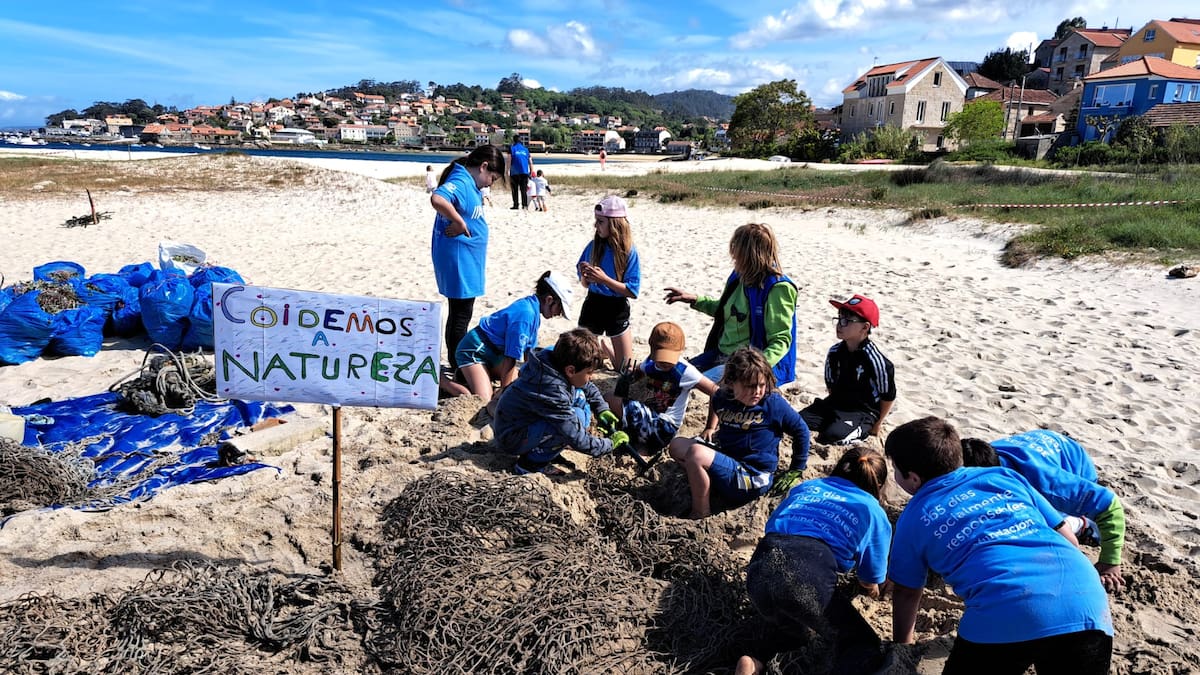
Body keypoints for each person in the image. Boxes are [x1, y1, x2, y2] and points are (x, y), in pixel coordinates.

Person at [885, 417, 1113, 673]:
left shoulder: (914, 516)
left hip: (1006, 609)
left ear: (913, 478)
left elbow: (906, 591)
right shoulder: (1003, 476)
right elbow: (1068, 538)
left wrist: (902, 645)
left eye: (895, 469)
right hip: (1086, 600)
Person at [735, 446, 892, 675]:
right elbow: (871, 574)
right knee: (861, 643)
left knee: (791, 629)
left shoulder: (809, 487)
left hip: (762, 565)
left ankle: (754, 661)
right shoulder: (872, 510)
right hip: (806, 571)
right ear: (878, 485)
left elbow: (772, 526)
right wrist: (871, 590)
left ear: (838, 469)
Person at [961, 430, 1125, 592]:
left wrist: (1110, 563)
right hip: (1032, 447)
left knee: (1045, 526)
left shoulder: (1046, 483)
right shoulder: (976, 460)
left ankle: (1081, 524)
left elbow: (1110, 506)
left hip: (1071, 461)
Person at [667, 347, 810, 519]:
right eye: (750, 386)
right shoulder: (724, 397)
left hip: (753, 476)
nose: (757, 391)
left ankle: (700, 512)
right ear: (731, 382)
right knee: (677, 445)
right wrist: (710, 427)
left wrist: (796, 468)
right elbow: (715, 398)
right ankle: (706, 480)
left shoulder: (772, 404)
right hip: (729, 459)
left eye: (761, 385)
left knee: (696, 454)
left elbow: (801, 430)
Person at [664, 223, 798, 385]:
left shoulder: (778, 288)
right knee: (676, 376)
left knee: (693, 383)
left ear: (751, 255)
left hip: (745, 364)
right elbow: (725, 310)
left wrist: (753, 369)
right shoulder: (739, 276)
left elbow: (780, 341)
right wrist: (694, 299)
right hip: (721, 352)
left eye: (736, 250)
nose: (732, 255)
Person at [493, 328, 630, 476]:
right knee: (567, 426)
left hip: (523, 419)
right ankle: (530, 464)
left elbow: (586, 386)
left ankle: (543, 449)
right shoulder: (552, 391)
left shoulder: (555, 358)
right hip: (511, 436)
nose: (592, 377)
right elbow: (577, 439)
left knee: (580, 398)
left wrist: (601, 408)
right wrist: (610, 444)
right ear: (570, 370)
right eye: (589, 373)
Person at [438, 271, 574, 407]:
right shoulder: (525, 315)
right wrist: (505, 392)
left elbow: (529, 354)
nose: (559, 314)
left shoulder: (534, 312)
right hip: (473, 350)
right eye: (560, 309)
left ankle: (469, 376)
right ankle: (442, 380)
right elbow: (510, 358)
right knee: (482, 400)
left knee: (518, 382)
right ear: (549, 300)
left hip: (494, 353)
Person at [430, 144, 506, 372]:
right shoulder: (462, 181)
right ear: (483, 167)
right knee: (460, 315)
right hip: (459, 259)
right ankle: (458, 366)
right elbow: (437, 198)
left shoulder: (467, 182)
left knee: (460, 313)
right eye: (492, 178)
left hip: (466, 259)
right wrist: (459, 222)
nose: (489, 184)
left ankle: (457, 363)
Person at [796, 294, 896, 449]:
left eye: (847, 321)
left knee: (832, 437)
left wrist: (878, 423)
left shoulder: (875, 360)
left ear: (865, 327)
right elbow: (831, 384)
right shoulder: (835, 352)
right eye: (839, 318)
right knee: (795, 423)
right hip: (835, 404)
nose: (839, 325)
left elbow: (888, 395)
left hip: (863, 412)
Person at [608, 322, 717, 454]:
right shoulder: (651, 362)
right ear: (652, 349)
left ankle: (642, 445)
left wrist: (710, 427)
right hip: (651, 414)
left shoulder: (684, 371)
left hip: (664, 426)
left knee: (610, 399)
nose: (665, 363)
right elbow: (639, 371)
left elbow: (715, 391)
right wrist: (630, 376)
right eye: (661, 358)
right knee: (611, 398)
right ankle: (638, 446)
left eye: (670, 358)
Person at [577, 195, 641, 371]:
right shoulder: (594, 246)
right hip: (594, 303)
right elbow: (585, 284)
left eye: (600, 222)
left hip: (616, 307)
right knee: (584, 363)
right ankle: (599, 352)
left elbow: (632, 291)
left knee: (625, 369)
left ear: (614, 224)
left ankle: (606, 349)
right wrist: (586, 277)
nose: (595, 225)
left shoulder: (628, 251)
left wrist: (604, 279)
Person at [507, 139, 533, 210]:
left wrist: (508, 170)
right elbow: (530, 161)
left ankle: (516, 205)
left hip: (514, 172)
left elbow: (509, 160)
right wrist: (531, 171)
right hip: (524, 172)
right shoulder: (526, 149)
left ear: (514, 142)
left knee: (514, 190)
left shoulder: (512, 148)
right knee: (523, 190)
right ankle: (524, 205)